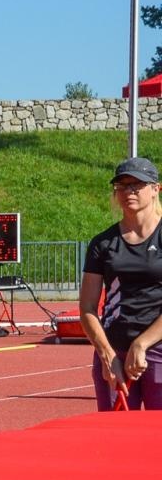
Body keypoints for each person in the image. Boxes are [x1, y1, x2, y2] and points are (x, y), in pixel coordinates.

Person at [79, 156, 162, 410]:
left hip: (158, 351)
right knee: (115, 432)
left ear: (155, 189)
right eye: (122, 186)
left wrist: (141, 343)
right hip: (114, 353)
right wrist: (106, 354)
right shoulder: (103, 244)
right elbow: (87, 308)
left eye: (136, 185)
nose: (128, 191)